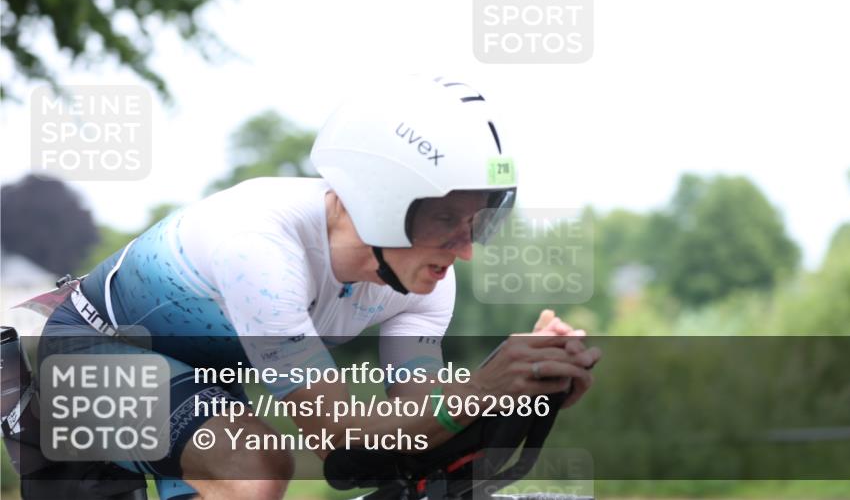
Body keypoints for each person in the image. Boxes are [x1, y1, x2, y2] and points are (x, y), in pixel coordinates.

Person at [37, 75, 599, 500]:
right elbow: (338, 437)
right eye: (448, 220)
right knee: (253, 467)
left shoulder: (424, 277)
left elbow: (415, 423)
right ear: (380, 199)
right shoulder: (260, 247)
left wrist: (519, 384)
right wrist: (481, 386)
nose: (466, 248)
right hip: (88, 352)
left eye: (479, 222)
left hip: (200, 382)